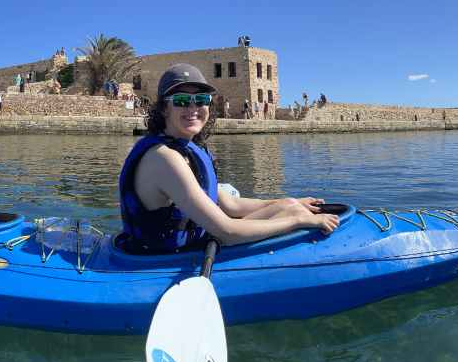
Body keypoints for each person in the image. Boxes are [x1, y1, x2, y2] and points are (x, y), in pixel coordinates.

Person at [116, 63, 338, 254]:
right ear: (164, 109)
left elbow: (230, 204)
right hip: (166, 255)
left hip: (195, 240)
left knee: (290, 206)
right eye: (182, 101)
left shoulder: (185, 150)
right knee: (294, 214)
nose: (193, 108)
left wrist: (289, 201)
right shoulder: (165, 158)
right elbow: (227, 232)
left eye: (201, 99)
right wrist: (298, 220)